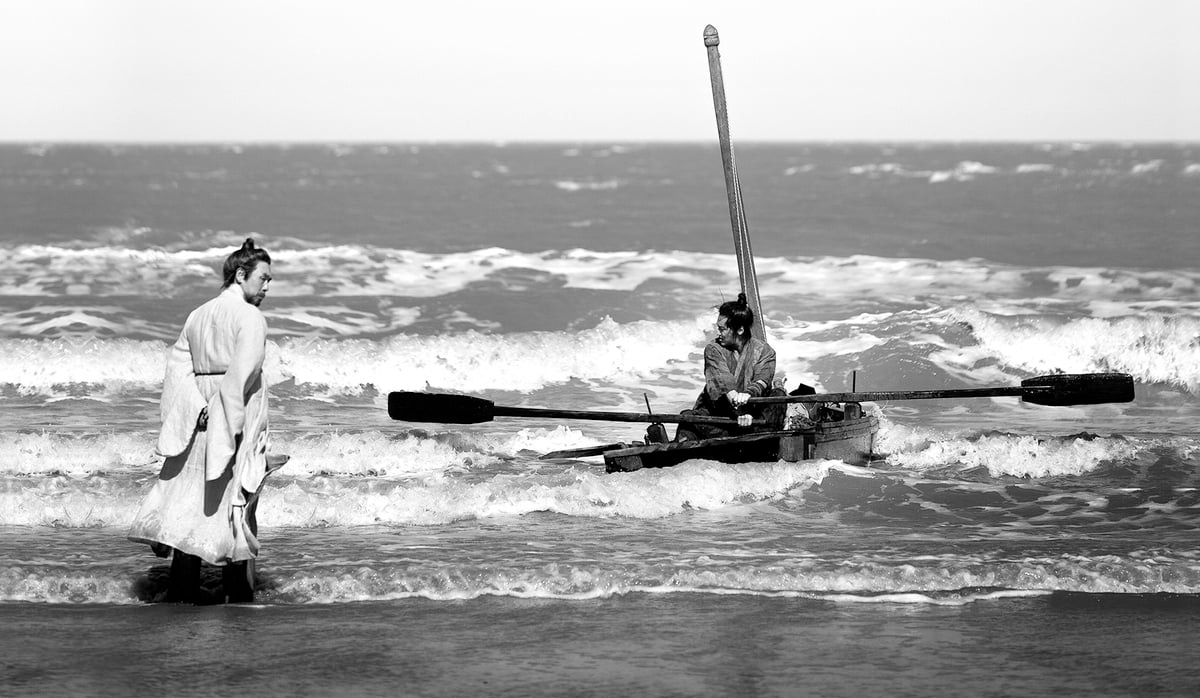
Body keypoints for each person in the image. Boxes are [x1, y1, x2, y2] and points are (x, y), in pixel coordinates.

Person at [129, 238, 284, 603]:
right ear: (241, 274)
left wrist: (196, 410)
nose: (267, 286)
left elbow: (176, 374)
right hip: (233, 420)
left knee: (191, 506)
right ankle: (240, 598)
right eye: (263, 278)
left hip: (196, 418)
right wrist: (229, 428)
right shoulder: (250, 317)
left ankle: (182, 595)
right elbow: (241, 377)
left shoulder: (197, 315)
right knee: (238, 506)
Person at [674, 293, 786, 442]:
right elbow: (723, 384)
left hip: (753, 417)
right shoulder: (713, 349)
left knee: (779, 396)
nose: (718, 333)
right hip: (722, 417)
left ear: (739, 330)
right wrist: (739, 412)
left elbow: (762, 380)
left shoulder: (765, 351)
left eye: (723, 329)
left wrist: (749, 397)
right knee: (688, 418)